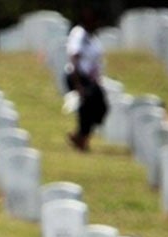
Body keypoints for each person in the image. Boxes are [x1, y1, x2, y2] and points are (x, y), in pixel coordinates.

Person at [65, 7, 107, 151]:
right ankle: (82, 139)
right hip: (77, 77)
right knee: (87, 105)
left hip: (90, 80)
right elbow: (74, 58)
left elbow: (96, 64)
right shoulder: (79, 34)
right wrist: (78, 85)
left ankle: (81, 136)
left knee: (101, 108)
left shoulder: (93, 39)